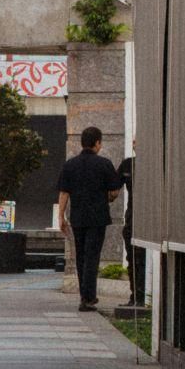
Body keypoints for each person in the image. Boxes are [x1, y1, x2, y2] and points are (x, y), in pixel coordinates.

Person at [57, 126, 122, 312]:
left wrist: (61, 216)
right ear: (97, 143)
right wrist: (109, 197)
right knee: (92, 257)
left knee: (81, 256)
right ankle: (88, 298)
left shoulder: (70, 165)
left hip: (77, 217)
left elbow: (64, 192)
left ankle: (84, 296)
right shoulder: (104, 164)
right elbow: (114, 190)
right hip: (98, 218)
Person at [117, 142, 142, 307]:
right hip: (132, 218)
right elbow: (113, 187)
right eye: (133, 141)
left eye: (137, 140)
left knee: (141, 258)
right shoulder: (127, 164)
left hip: (148, 217)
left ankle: (140, 296)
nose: (134, 144)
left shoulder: (154, 165)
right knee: (132, 258)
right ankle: (135, 295)